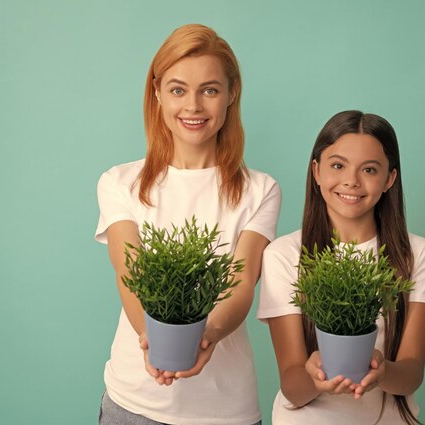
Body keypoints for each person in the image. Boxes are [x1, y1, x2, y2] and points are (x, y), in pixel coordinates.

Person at [95, 24, 281, 425]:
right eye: (178, 90)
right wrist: (155, 344)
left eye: (209, 90)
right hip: (132, 404)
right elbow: (129, 273)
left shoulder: (259, 190)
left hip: (225, 410)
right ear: (157, 92)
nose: (193, 106)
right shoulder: (119, 183)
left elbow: (242, 280)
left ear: (232, 94)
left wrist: (207, 335)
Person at [258, 110, 425, 424]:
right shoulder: (284, 254)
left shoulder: (417, 255)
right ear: (317, 171)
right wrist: (316, 377)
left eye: (370, 170)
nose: (351, 181)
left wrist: (382, 371)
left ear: (390, 178)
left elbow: (412, 373)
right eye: (337, 165)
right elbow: (292, 384)